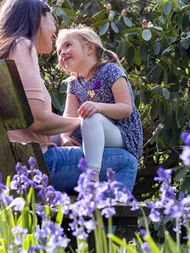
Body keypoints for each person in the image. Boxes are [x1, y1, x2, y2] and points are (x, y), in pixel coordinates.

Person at [0, 0, 137, 193]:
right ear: (39, 17)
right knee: (126, 160)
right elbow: (37, 120)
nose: (54, 35)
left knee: (78, 146)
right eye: (52, 23)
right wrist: (82, 122)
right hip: (25, 164)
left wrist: (67, 134)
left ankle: (82, 213)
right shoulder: (22, 45)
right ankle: (100, 221)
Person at [55, 25, 143, 182]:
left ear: (89, 48)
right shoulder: (74, 83)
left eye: (68, 45)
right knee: (51, 135)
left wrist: (99, 107)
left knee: (91, 116)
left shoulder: (110, 70)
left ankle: (92, 176)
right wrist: (64, 137)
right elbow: (68, 115)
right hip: (91, 131)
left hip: (122, 135)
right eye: (59, 51)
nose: (62, 53)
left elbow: (126, 108)